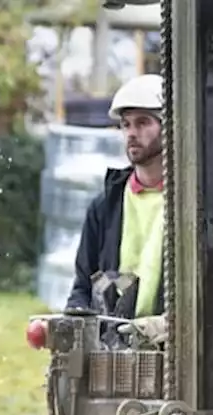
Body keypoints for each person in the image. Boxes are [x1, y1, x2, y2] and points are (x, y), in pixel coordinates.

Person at [65, 73, 169, 345]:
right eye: (126, 125)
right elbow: (83, 287)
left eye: (143, 122)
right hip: (113, 351)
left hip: (170, 349)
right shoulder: (104, 207)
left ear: (169, 127)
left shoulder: (192, 205)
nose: (132, 133)